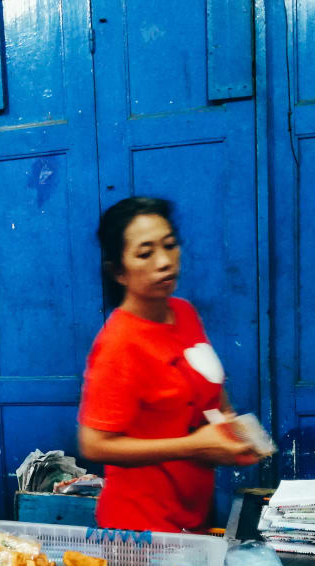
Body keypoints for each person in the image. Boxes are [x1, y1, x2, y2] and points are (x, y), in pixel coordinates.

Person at [78, 197, 261, 533]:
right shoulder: (119, 343)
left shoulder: (184, 313)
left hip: (193, 513)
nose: (164, 262)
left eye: (170, 246)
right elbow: (94, 443)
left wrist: (233, 434)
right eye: (145, 253)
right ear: (119, 271)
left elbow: (210, 393)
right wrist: (196, 446)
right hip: (139, 528)